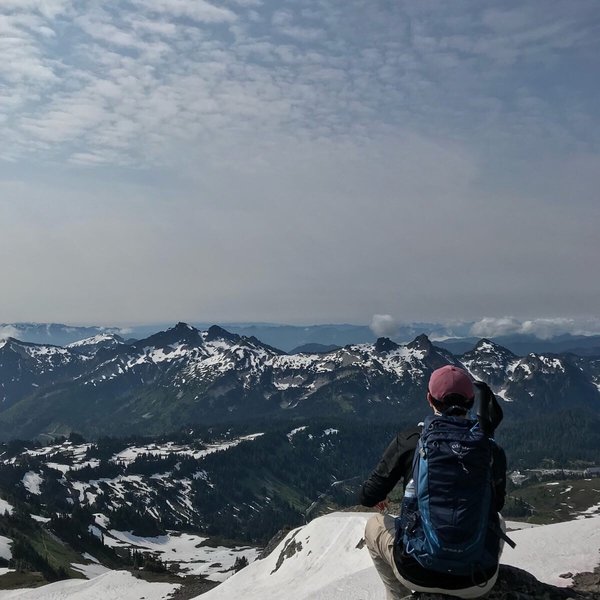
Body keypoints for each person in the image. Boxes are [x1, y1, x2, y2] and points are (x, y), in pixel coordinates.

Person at [359, 365, 507, 600]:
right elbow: (496, 505)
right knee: (498, 520)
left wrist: (382, 494)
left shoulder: (410, 441)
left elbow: (366, 496)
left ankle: (399, 596)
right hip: (478, 578)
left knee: (373, 525)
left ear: (430, 399)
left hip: (417, 571)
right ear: (471, 402)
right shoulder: (488, 447)